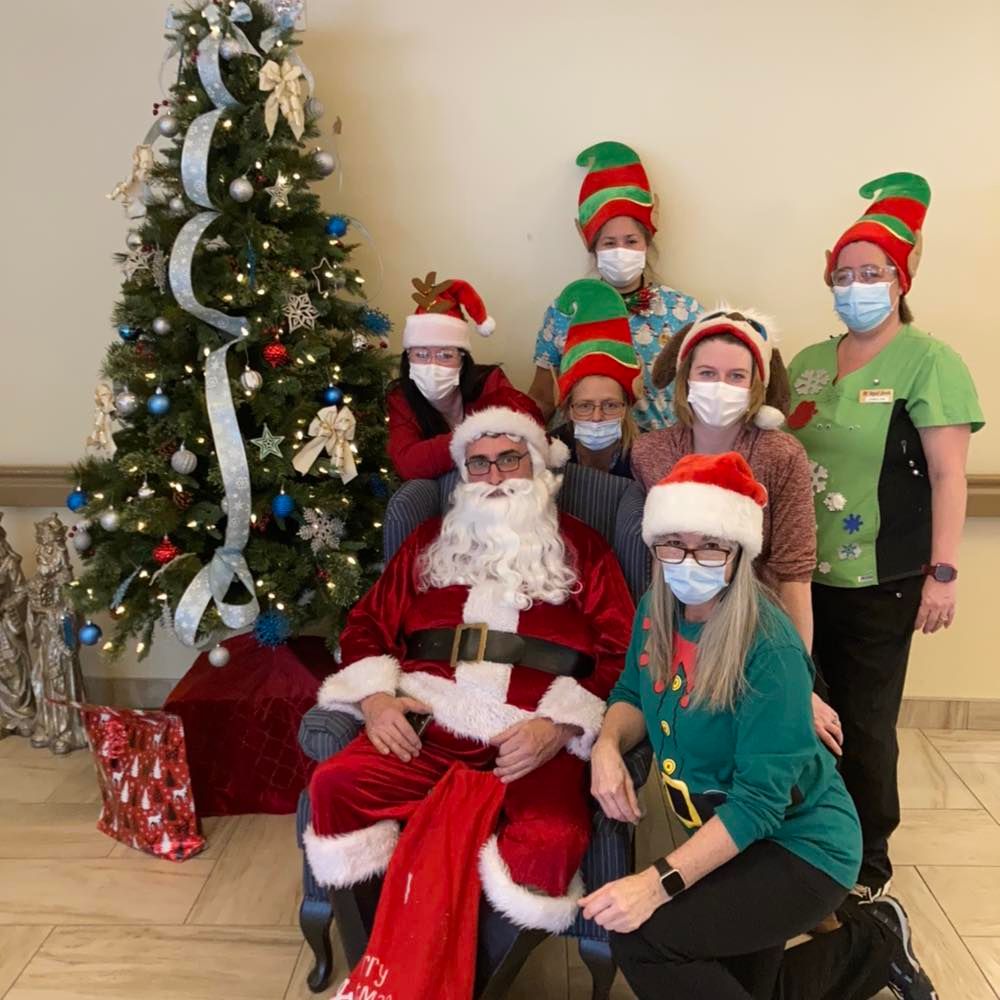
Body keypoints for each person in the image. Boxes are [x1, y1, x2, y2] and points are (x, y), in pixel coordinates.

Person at [582, 451, 936, 1000]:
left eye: (711, 546)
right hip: (734, 837)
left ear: (739, 552)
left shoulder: (768, 646)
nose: (688, 561)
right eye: (672, 543)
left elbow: (759, 805)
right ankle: (874, 944)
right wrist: (607, 745)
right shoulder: (656, 607)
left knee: (645, 938)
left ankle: (871, 938)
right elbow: (632, 691)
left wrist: (655, 884)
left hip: (801, 846)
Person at [304, 406, 634, 990]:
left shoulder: (584, 547)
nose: (495, 475)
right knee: (335, 786)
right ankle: (378, 968)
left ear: (537, 465)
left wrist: (561, 724)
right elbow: (366, 626)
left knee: (553, 839)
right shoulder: (429, 543)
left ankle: (474, 983)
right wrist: (376, 700)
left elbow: (626, 651)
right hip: (426, 726)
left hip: (532, 741)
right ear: (463, 475)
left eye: (509, 459)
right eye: (479, 464)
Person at [788, 172, 984, 901]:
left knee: (864, 724)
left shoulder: (930, 361)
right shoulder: (808, 364)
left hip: (882, 578)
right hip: (799, 576)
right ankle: (809, 844)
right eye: (844, 275)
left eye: (872, 274)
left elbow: (950, 476)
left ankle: (867, 865)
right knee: (803, 713)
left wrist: (943, 572)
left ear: (901, 280)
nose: (856, 287)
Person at [628, 309, 840, 753]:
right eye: (707, 373)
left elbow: (794, 573)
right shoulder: (650, 453)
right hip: (679, 627)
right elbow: (659, 556)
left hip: (759, 632)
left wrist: (797, 682)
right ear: (686, 380)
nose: (720, 386)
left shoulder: (780, 455)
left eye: (736, 376)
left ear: (755, 387)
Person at [529, 141, 703, 430]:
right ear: (593, 247)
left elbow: (701, 393)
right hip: (584, 446)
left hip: (661, 448)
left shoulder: (685, 311)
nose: (621, 251)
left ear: (646, 242)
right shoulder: (566, 310)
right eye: (609, 243)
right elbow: (543, 396)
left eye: (631, 241)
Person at [387, 272, 542, 480]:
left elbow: (527, 430)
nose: (432, 365)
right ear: (408, 359)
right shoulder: (401, 397)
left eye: (445, 355)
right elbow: (408, 464)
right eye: (421, 355)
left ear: (462, 361)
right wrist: (479, 432)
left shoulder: (489, 381)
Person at [551, 279, 644, 477]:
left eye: (610, 405)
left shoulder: (649, 456)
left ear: (626, 407)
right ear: (568, 409)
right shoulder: (546, 453)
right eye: (584, 406)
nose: (596, 417)